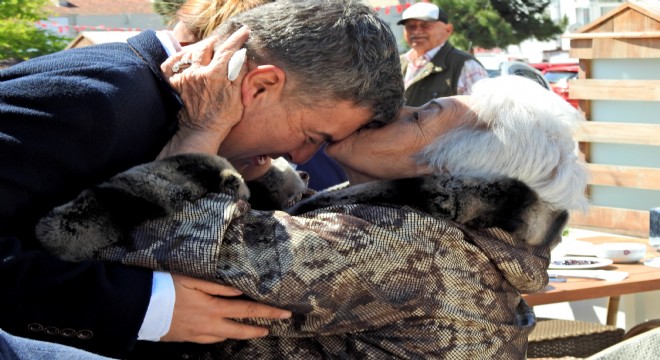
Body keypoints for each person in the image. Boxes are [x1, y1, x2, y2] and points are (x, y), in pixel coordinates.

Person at [36, 75, 590, 359]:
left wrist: (201, 136)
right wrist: (261, 174)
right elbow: (314, 232)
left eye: (422, 115)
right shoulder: (455, 232)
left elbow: (188, 245)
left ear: (447, 166)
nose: (393, 112)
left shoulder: (415, 245)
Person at [0, 0, 404, 358]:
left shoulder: (150, 104)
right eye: (312, 136)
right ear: (261, 85)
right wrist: (140, 306)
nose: (299, 156)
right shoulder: (102, 98)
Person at [398, 2, 489, 106]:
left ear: (448, 30)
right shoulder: (396, 63)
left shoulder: (466, 66)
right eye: (410, 26)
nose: (417, 31)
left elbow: (483, 114)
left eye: (425, 25)